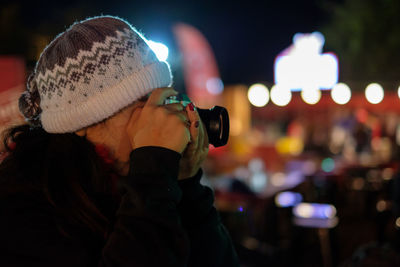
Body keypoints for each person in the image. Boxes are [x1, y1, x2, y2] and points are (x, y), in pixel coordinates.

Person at [0, 16, 239, 267]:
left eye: (159, 98)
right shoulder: (23, 207)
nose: (158, 115)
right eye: (141, 103)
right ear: (83, 122)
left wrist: (186, 186)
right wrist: (153, 172)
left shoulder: (136, 182)